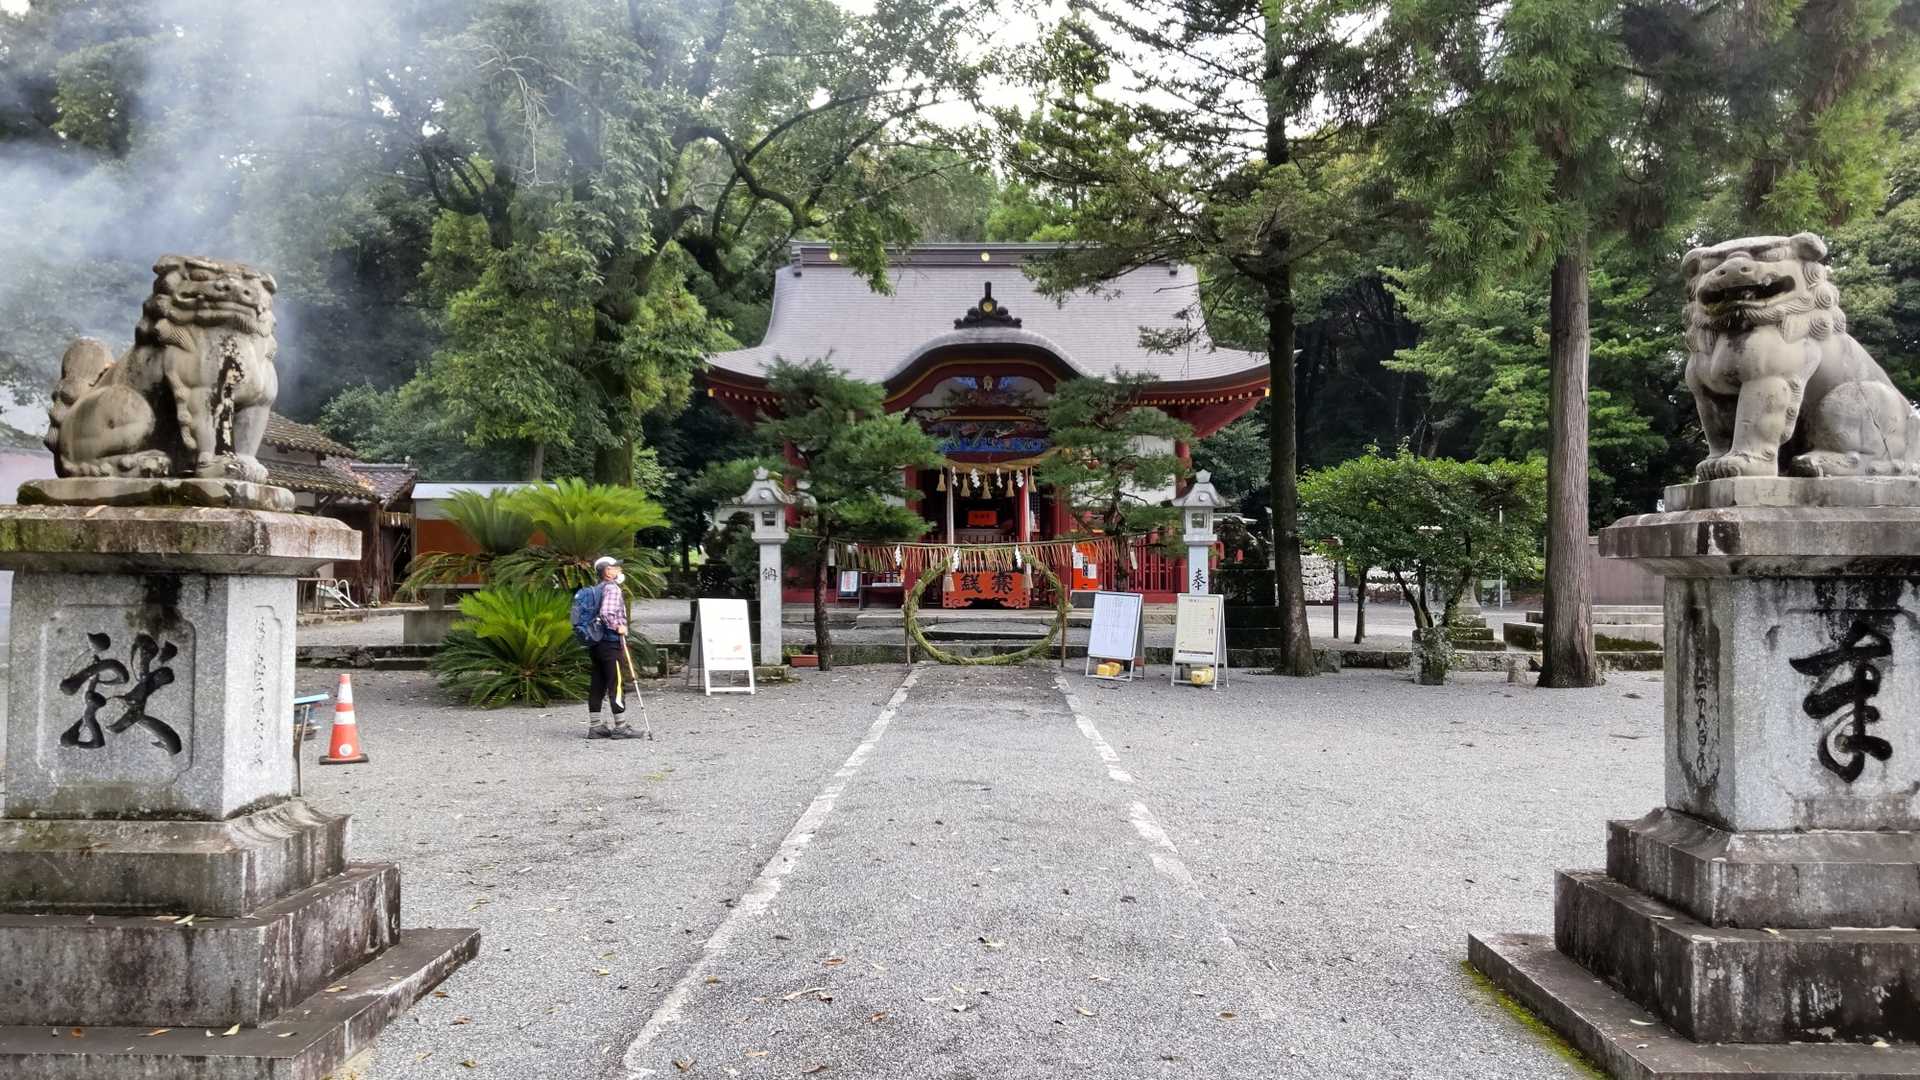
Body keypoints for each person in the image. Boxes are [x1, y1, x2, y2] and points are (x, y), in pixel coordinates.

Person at [586, 555, 639, 740]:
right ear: (607, 571)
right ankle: (621, 727)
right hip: (610, 643)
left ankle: (595, 726)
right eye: (615, 567)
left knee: (598, 682)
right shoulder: (612, 588)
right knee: (616, 683)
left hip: (596, 642)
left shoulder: (596, 589)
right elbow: (607, 613)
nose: (619, 569)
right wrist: (618, 627)